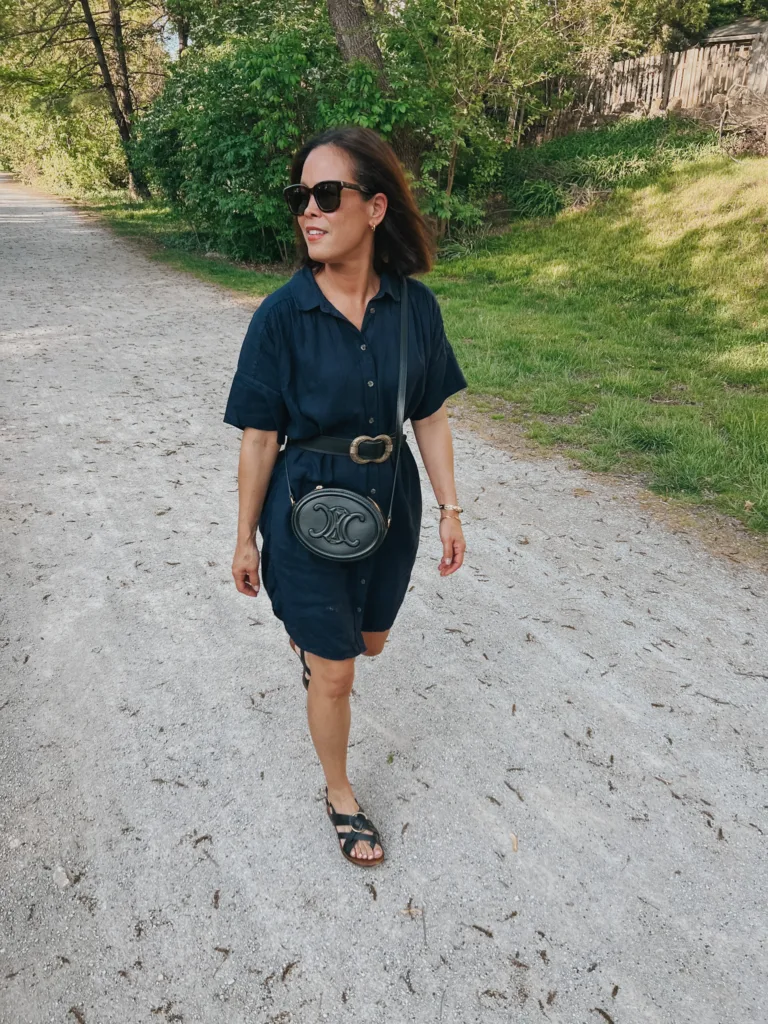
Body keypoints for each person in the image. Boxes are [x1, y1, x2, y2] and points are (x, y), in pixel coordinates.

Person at [223, 125, 467, 867]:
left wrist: (451, 509)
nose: (310, 210)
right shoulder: (280, 316)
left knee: (369, 643)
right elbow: (260, 439)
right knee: (337, 672)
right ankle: (340, 793)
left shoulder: (415, 309)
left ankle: (317, 645)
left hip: (389, 504)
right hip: (304, 511)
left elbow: (429, 414)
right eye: (301, 196)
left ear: (376, 207)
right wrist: (244, 538)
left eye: (327, 194)